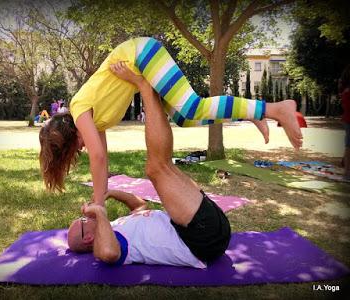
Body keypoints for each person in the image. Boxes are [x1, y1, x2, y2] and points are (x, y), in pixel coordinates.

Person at [39, 37, 303, 205]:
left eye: (77, 146)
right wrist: (100, 197)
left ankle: (276, 108)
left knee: (191, 107)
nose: (83, 148)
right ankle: (254, 112)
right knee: (184, 118)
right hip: (139, 65)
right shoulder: (96, 123)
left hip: (139, 55)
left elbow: (96, 158)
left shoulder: (79, 108)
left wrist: (98, 204)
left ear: (72, 132)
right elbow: (103, 160)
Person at [67, 70, 231, 267]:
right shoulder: (106, 245)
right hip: (200, 239)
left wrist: (110, 193)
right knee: (156, 168)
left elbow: (140, 206)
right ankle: (146, 88)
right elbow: (109, 254)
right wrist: (100, 212)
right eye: (82, 221)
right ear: (87, 239)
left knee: (161, 167)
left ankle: (150, 93)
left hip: (202, 225)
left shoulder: (115, 227)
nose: (86, 215)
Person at [339, 65, 350, 180]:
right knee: (349, 145)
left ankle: (346, 167)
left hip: (347, 119)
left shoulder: (345, 91)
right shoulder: (347, 92)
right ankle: (347, 172)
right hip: (348, 119)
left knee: (348, 145)